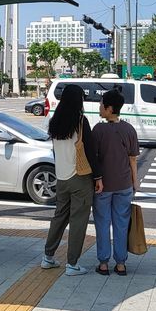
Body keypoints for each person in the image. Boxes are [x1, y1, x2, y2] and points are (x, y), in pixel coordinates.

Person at [41, 85, 103, 276]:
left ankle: (48, 257)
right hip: (80, 177)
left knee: (59, 217)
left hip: (61, 177)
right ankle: (72, 264)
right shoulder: (80, 121)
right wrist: (98, 177)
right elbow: (90, 151)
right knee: (78, 220)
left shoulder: (54, 121)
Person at [92, 89, 140, 277]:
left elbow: (93, 159)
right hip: (124, 185)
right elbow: (133, 159)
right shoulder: (129, 129)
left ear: (109, 108)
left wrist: (97, 179)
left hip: (102, 186)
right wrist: (135, 183)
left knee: (102, 223)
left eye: (102, 103)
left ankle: (103, 263)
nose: (99, 107)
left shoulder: (98, 130)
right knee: (121, 223)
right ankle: (121, 264)